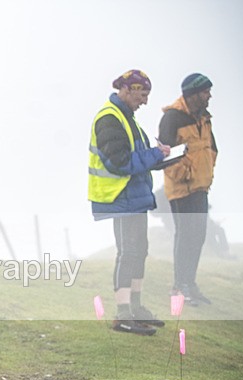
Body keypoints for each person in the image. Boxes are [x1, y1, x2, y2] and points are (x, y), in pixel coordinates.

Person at [87, 69, 171, 336]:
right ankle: (123, 314)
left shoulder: (126, 118)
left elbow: (136, 157)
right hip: (119, 197)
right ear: (129, 89)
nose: (145, 101)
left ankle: (135, 308)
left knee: (139, 250)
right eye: (143, 94)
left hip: (133, 197)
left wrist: (159, 156)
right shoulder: (110, 119)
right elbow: (121, 163)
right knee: (128, 252)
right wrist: (154, 154)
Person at [158, 73, 217, 306]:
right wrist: (188, 175)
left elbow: (211, 148)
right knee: (185, 236)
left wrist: (207, 172)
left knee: (198, 236)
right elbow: (164, 156)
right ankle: (180, 286)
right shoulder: (172, 118)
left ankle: (189, 283)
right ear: (192, 94)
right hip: (181, 189)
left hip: (201, 187)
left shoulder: (204, 117)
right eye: (205, 92)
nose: (209, 96)